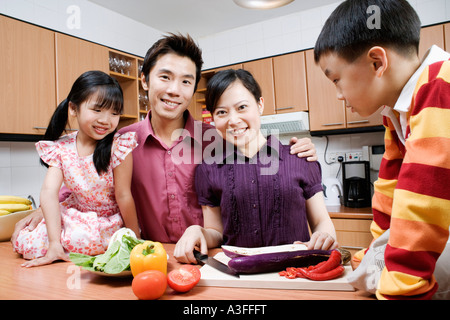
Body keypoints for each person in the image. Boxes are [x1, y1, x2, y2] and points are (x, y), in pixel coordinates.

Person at [12, 33, 317, 246]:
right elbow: (83, 186)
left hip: (212, 257)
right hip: (147, 257)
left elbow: (264, 164)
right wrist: (45, 208)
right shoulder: (119, 143)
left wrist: (297, 152)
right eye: (165, 77)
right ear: (144, 80)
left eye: (186, 81)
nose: (174, 90)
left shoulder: (217, 140)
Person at [314, 0, 450, 299]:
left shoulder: (440, 85)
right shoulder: (396, 113)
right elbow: (389, 191)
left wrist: (401, 289)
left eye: (336, 79)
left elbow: (423, 202)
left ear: (377, 62)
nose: (338, 95)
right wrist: (375, 257)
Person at [174, 69, 338, 264]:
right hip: (239, 275)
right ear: (213, 118)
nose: (233, 120)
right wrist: (196, 230)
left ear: (260, 104)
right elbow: (216, 232)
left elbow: (321, 221)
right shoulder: (208, 170)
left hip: (295, 273)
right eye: (221, 112)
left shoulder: (299, 157)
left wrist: (324, 236)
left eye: (242, 107)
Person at [13, 70, 140, 267]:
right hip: (74, 214)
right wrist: (54, 243)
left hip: (105, 221)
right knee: (28, 241)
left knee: (84, 239)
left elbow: (124, 196)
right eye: (97, 110)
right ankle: (57, 248)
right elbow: (48, 192)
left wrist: (136, 240)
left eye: (114, 113)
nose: (106, 120)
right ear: (73, 108)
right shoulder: (61, 147)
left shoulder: (118, 146)